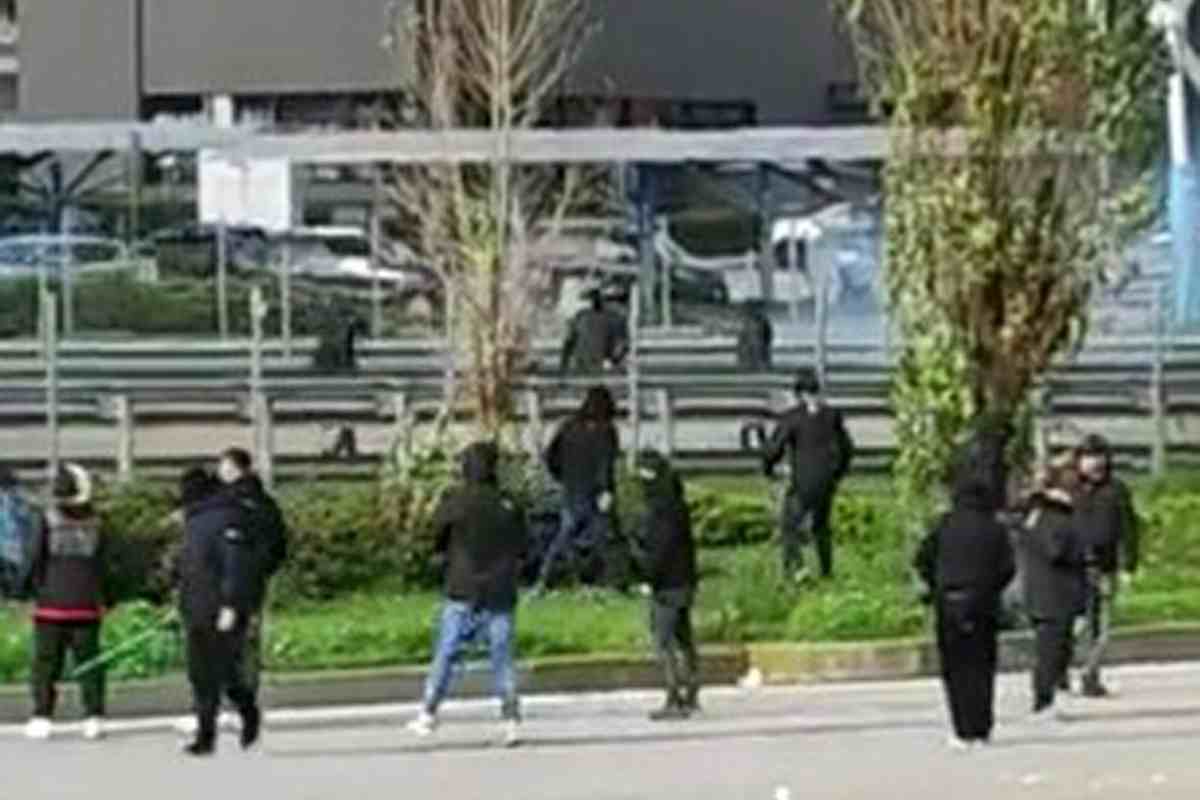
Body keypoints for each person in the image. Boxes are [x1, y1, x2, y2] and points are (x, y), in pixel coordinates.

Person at [406, 442, 528, 747]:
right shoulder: (508, 504)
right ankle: (510, 718)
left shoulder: (455, 501)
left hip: (462, 586)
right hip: (500, 589)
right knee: (502, 657)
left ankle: (429, 712)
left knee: (446, 653)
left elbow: (437, 538)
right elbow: (524, 545)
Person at [915, 451, 1016, 750]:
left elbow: (921, 559)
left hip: (949, 600)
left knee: (955, 669)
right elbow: (1008, 567)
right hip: (983, 602)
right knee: (982, 667)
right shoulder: (995, 528)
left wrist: (935, 583)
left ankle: (962, 729)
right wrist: (992, 588)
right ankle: (982, 727)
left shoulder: (944, 526)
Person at [177, 466, 262, 756]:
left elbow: (234, 565)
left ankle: (247, 709)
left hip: (220, 609)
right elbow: (190, 569)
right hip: (195, 607)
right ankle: (206, 736)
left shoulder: (228, 519)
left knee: (225, 673)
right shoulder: (194, 521)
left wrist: (231, 604)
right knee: (200, 674)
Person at [26, 463, 108, 742]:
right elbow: (104, 564)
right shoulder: (97, 522)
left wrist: (29, 591)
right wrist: (105, 597)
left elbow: (35, 559)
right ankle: (93, 716)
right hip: (87, 602)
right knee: (90, 662)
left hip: (51, 602)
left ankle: (42, 715)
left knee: (46, 662)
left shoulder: (47, 519)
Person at [762, 367, 854, 580]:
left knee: (789, 525)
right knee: (821, 527)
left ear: (799, 393)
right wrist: (838, 474)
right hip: (826, 481)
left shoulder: (793, 418)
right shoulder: (832, 415)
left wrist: (767, 467)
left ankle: (794, 570)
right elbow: (847, 448)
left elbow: (774, 449)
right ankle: (826, 571)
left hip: (803, 481)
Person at [633, 450, 700, 721]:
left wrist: (648, 576)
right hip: (685, 578)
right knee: (685, 638)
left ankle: (673, 695)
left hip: (666, 583)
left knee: (664, 641)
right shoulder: (678, 506)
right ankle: (692, 690)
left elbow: (659, 550)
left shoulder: (658, 510)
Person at [1017, 461, 1087, 719]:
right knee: (1050, 649)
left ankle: (1049, 693)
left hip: (1042, 591)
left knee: (1054, 647)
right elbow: (1055, 550)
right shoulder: (1054, 518)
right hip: (1055, 593)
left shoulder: (1033, 516)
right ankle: (1043, 699)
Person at [216, 448, 288, 697]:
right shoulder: (266, 503)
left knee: (224, 640)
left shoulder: (230, 505)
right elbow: (279, 546)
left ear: (234, 469)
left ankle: (227, 698)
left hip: (228, 583)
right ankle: (247, 693)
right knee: (247, 640)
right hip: (255, 583)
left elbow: (227, 550)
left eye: (223, 467)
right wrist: (262, 571)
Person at [1072, 433, 1139, 698]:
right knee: (1080, 624)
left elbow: (1129, 528)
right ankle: (1071, 671)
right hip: (1074, 567)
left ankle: (1090, 673)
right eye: (1088, 457)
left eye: (1098, 456)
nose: (1093, 463)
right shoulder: (1072, 490)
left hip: (1105, 567)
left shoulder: (1116, 490)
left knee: (1104, 626)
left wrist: (1129, 566)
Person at [539, 386, 621, 590]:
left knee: (566, 533)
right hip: (594, 491)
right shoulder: (606, 431)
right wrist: (607, 490)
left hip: (571, 487)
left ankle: (549, 574)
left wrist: (560, 476)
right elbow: (606, 463)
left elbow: (551, 456)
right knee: (604, 536)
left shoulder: (568, 426)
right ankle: (608, 578)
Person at [560, 288, 628, 375]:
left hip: (597, 365)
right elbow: (569, 341)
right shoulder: (582, 317)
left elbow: (622, 345)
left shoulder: (613, 319)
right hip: (588, 365)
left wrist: (613, 361)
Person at [0, 467, 39, 600]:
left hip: (11, 546)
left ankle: (13, 592)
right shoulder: (20, 498)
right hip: (15, 546)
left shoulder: (16, 498)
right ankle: (15, 591)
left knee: (11, 572)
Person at [735, 300, 773, 372]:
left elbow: (766, 339)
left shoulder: (760, 322)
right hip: (753, 354)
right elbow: (743, 340)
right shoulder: (748, 322)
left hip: (757, 353)